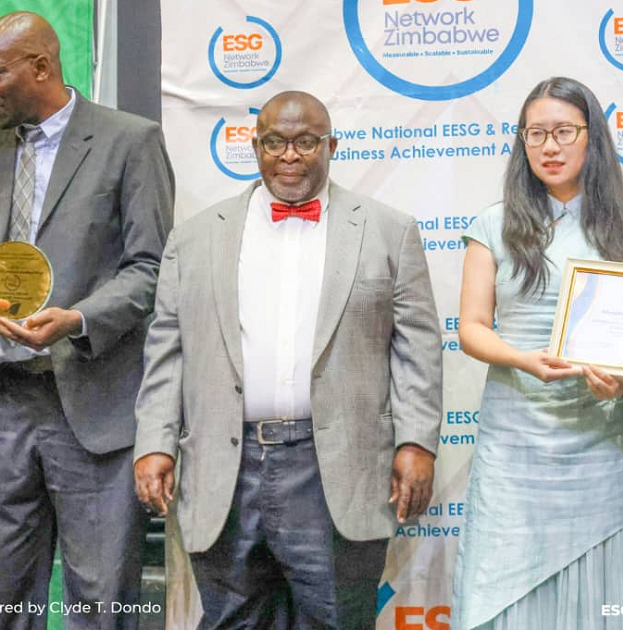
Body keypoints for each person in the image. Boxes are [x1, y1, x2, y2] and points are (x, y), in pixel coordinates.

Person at [133, 91, 443, 630]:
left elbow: (416, 348)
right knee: (234, 620)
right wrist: (155, 443)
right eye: (275, 142)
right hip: (225, 470)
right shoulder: (195, 237)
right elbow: (167, 348)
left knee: (336, 620)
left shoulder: (389, 232)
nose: (290, 155)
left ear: (332, 146)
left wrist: (416, 442)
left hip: (334, 471)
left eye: (306, 142)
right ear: (256, 146)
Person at [0, 12, 175, 629]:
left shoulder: (130, 141)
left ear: (41, 67)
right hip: (2, 408)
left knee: (102, 603)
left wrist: (78, 319)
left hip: (95, 409)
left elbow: (152, 268)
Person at [453, 76, 623, 629]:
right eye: (536, 134)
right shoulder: (492, 224)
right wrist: (523, 359)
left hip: (601, 444)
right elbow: (472, 328)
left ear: (593, 137)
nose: (550, 147)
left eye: (564, 132)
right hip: (515, 445)